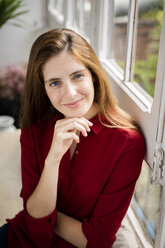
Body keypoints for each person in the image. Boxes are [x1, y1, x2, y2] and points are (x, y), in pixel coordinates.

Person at [0, 28, 145, 247]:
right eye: (55, 83)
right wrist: (52, 160)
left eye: (77, 76)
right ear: (44, 89)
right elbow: (32, 228)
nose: (70, 93)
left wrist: (42, 215)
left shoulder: (127, 143)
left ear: (93, 75)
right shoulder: (35, 128)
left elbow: (98, 241)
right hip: (19, 238)